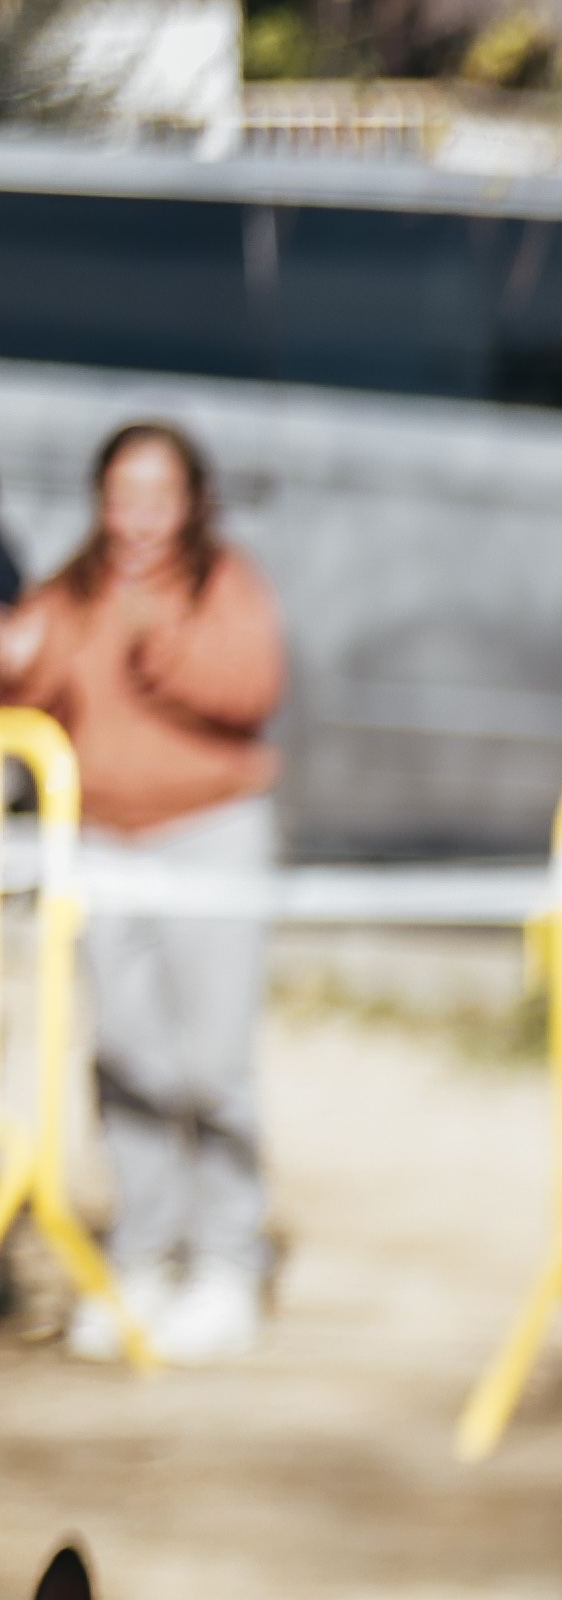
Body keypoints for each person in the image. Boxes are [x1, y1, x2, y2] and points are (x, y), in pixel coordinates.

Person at [2, 421, 284, 1362]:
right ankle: (139, 1254)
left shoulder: (224, 584)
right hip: (98, 840)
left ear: (192, 502)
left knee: (213, 1062)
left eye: (158, 498)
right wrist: (21, 655)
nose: (140, 520)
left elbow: (252, 685)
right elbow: (32, 680)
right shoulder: (73, 588)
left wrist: (157, 644)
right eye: (124, 497)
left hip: (209, 837)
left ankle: (226, 1260)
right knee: (125, 1057)